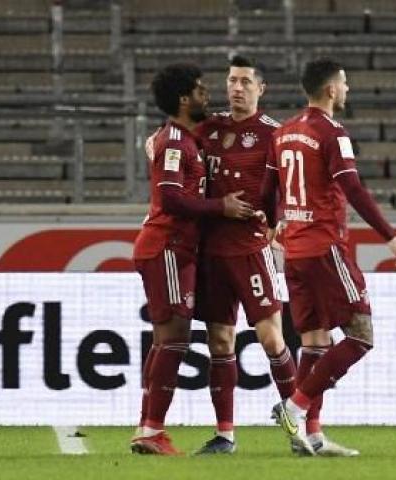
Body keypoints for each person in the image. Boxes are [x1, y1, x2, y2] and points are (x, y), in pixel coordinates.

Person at [191, 55, 359, 456]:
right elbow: (173, 143)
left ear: (261, 89)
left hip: (252, 248)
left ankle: (304, 431)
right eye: (232, 80)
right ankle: (225, 434)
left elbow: (291, 187)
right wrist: (156, 140)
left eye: (246, 82)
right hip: (213, 250)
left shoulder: (275, 133)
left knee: (272, 338)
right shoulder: (207, 129)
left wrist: (281, 222)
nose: (236, 88)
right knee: (219, 341)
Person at [261, 58, 396, 455]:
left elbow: (267, 188)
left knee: (315, 343)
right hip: (325, 248)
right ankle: (294, 406)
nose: (347, 90)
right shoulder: (332, 132)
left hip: (294, 251)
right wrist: (390, 236)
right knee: (361, 335)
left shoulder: (285, 132)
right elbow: (353, 189)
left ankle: (309, 435)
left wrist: (273, 221)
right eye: (344, 83)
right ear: (330, 90)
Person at [130, 63, 253, 455]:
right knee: (174, 338)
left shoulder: (181, 139)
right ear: (184, 99)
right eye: (200, 90)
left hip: (175, 249)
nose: (207, 95)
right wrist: (222, 207)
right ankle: (151, 431)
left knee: (166, 340)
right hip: (167, 246)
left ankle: (147, 428)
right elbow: (170, 197)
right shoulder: (174, 143)